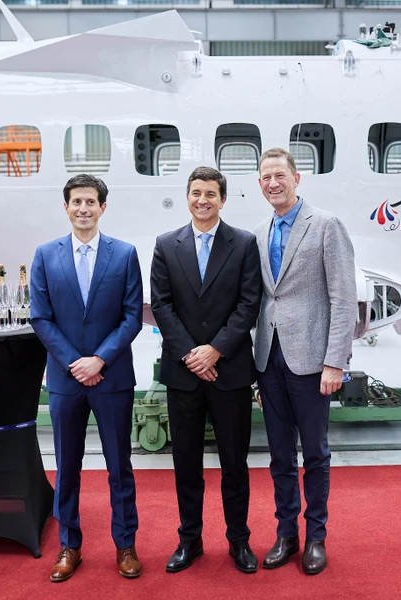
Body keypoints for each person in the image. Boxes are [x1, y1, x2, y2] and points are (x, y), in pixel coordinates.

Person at [30, 174, 143, 582]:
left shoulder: (124, 254)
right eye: (76, 201)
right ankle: (69, 546)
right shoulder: (46, 255)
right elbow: (40, 317)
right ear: (66, 207)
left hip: (112, 379)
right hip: (65, 381)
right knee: (67, 468)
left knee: (119, 467)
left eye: (90, 202)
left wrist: (99, 360)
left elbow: (132, 316)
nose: (83, 208)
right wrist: (74, 362)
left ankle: (125, 545)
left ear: (102, 207)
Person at [150, 166, 262, 574]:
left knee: (235, 463)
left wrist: (215, 350)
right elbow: (161, 305)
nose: (203, 200)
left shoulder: (244, 243)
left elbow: (249, 304)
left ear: (223, 200)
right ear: (187, 197)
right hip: (183, 374)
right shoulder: (166, 245)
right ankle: (189, 540)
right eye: (196, 193)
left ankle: (239, 540)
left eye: (211, 194)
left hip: (229, 371)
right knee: (186, 464)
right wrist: (190, 355)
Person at [254, 148, 357, 575]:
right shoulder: (259, 232)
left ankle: (316, 536)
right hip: (269, 359)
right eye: (266, 177)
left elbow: (343, 297)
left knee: (315, 454)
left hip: (313, 361)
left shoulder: (326, 225)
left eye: (280, 175)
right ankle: (286, 534)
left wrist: (336, 361)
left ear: (297, 179)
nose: (273, 183)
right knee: (279, 456)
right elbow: (265, 299)